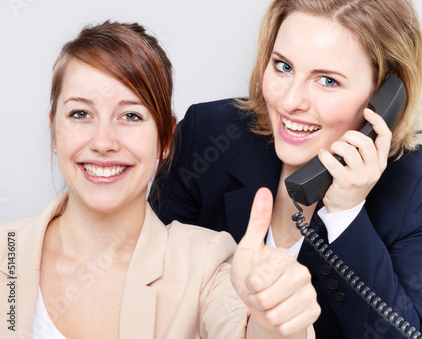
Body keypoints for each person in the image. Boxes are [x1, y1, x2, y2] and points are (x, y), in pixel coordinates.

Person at [149, 0, 422, 339]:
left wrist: (346, 216)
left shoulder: (419, 186)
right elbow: (147, 288)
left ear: (384, 98)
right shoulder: (207, 136)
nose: (290, 102)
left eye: (327, 80)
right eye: (283, 66)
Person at [0, 21, 320, 338]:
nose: (103, 142)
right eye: (80, 114)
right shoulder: (7, 249)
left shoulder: (206, 262)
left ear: (165, 138)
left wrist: (270, 324)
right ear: (55, 130)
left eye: (131, 116)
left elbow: (241, 327)